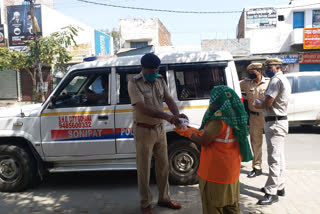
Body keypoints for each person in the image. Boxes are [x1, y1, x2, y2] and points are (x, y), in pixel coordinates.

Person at [175, 85, 253, 214]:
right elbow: (209, 135)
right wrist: (188, 128)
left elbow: (204, 141)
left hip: (215, 173)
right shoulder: (236, 117)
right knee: (232, 206)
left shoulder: (218, 120)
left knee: (213, 207)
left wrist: (187, 133)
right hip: (231, 171)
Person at [128, 53, 187, 214]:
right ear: (143, 68)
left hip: (160, 130)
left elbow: (169, 100)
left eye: (156, 70)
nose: (154, 73)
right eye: (151, 70)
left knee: (163, 166)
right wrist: (168, 117)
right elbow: (142, 107)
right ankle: (145, 203)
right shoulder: (134, 83)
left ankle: (164, 198)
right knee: (144, 168)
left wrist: (176, 115)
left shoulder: (160, 80)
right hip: (143, 130)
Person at [253, 58, 291, 205]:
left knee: (274, 159)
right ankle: (279, 186)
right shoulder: (283, 79)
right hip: (280, 121)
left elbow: (268, 102)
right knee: (280, 158)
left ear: (277, 67)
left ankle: (271, 192)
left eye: (269, 66)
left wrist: (258, 104)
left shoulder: (275, 81)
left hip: (275, 122)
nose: (267, 69)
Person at [240, 63, 269, 178]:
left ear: (259, 71)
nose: (251, 74)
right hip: (254, 117)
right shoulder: (246, 83)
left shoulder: (269, 82)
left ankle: (275, 170)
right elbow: (232, 85)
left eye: (253, 72)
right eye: (249, 73)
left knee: (272, 144)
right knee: (256, 143)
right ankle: (257, 167)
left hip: (267, 116)